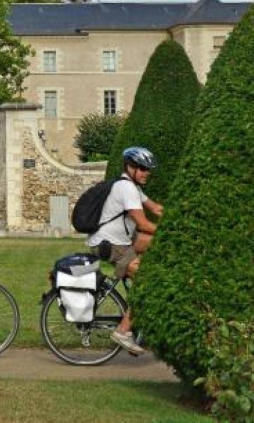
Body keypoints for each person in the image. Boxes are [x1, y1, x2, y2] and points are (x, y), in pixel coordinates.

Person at [86, 146, 164, 355]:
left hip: (120, 239)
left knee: (159, 244)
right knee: (148, 283)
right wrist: (171, 231)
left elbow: (156, 208)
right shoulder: (126, 189)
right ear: (131, 167)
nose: (147, 173)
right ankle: (123, 330)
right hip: (112, 245)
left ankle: (135, 305)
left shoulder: (132, 186)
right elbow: (144, 224)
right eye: (143, 169)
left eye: (148, 170)